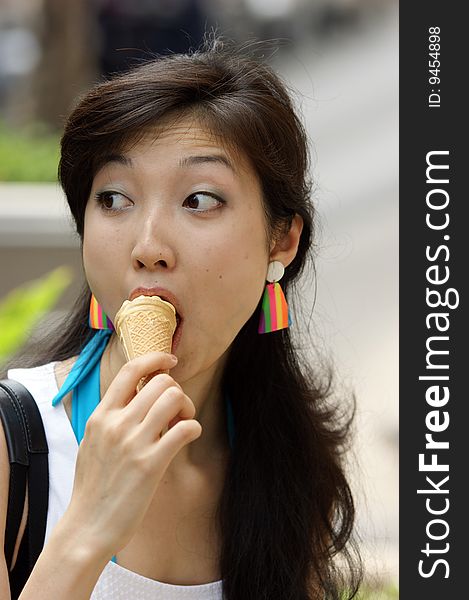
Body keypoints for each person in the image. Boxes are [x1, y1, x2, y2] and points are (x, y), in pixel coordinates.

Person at [0, 36, 362, 599]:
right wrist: (86, 532)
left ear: (282, 239)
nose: (148, 246)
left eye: (198, 200)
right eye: (115, 199)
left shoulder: (289, 467)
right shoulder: (12, 450)